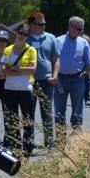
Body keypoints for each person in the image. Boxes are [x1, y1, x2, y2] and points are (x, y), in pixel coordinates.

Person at [53, 16, 90, 139]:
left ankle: (76, 138)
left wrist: (85, 73)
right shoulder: (58, 41)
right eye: (79, 28)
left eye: (82, 29)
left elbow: (89, 62)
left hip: (78, 79)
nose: (81, 31)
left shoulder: (84, 42)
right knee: (59, 110)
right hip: (61, 79)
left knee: (77, 109)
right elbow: (52, 60)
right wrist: (55, 75)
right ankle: (60, 139)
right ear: (70, 27)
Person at [0, 25, 37, 155]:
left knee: (28, 120)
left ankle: (28, 149)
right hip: (9, 90)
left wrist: (14, 69)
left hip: (26, 90)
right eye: (20, 33)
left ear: (27, 37)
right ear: (16, 33)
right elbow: (3, 71)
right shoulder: (7, 50)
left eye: (25, 34)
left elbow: (32, 70)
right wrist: (22, 70)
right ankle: (15, 147)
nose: (22, 36)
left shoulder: (31, 50)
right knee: (11, 120)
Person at [26, 12, 58, 149]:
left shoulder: (51, 37)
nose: (43, 26)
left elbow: (56, 59)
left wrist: (55, 76)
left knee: (46, 111)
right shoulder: (24, 38)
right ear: (31, 25)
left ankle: (49, 141)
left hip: (47, 80)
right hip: (29, 81)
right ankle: (29, 142)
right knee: (29, 112)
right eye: (40, 24)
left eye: (44, 24)